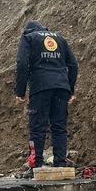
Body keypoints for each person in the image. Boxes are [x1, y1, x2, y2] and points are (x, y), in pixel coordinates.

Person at [14, 20, 78, 168]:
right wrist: (70, 90)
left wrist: (20, 92)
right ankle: (60, 164)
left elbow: (22, 64)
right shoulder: (59, 38)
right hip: (62, 87)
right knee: (59, 128)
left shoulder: (28, 38)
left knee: (37, 128)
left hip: (40, 86)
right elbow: (73, 65)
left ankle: (36, 166)